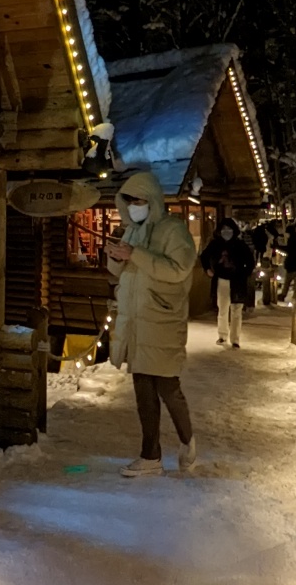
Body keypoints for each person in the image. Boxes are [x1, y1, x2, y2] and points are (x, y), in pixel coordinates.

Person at [104, 171, 197, 478]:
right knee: (143, 389)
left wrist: (136, 255)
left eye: (140, 200)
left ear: (154, 201)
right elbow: (125, 274)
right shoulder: (131, 231)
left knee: (168, 388)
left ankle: (187, 439)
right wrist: (116, 257)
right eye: (129, 201)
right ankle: (150, 455)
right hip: (136, 322)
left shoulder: (173, 230)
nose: (134, 207)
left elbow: (179, 269)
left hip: (162, 320)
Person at [200, 218, 254, 348]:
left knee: (236, 310)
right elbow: (204, 256)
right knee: (222, 309)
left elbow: (250, 261)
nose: (226, 232)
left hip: (238, 281)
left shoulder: (240, 245)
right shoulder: (215, 244)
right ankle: (222, 336)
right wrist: (207, 269)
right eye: (224, 229)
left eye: (229, 229)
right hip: (221, 280)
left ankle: (235, 339)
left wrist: (244, 273)